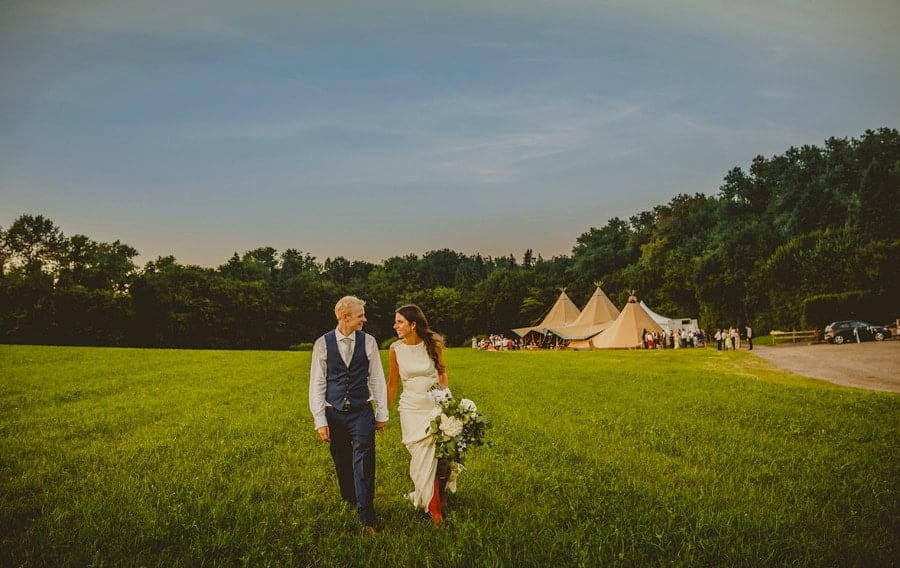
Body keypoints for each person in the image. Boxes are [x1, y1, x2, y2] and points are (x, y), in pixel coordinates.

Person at [309, 296, 388, 534]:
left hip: (361, 411)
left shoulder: (369, 341)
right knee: (342, 461)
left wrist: (382, 412)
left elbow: (376, 378)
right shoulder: (322, 344)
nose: (364, 319)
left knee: (364, 462)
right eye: (360, 315)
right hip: (334, 413)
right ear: (345, 317)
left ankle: (367, 517)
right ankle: (350, 499)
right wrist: (320, 420)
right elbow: (317, 383)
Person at [386, 304, 450, 525]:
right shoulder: (395, 349)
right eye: (396, 322)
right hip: (411, 410)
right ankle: (434, 512)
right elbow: (393, 384)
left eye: (400, 322)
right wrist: (382, 413)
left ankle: (439, 497)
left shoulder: (433, 345)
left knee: (443, 457)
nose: (395, 326)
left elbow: (442, 374)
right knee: (423, 458)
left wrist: (446, 400)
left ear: (413, 324)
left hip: (435, 406)